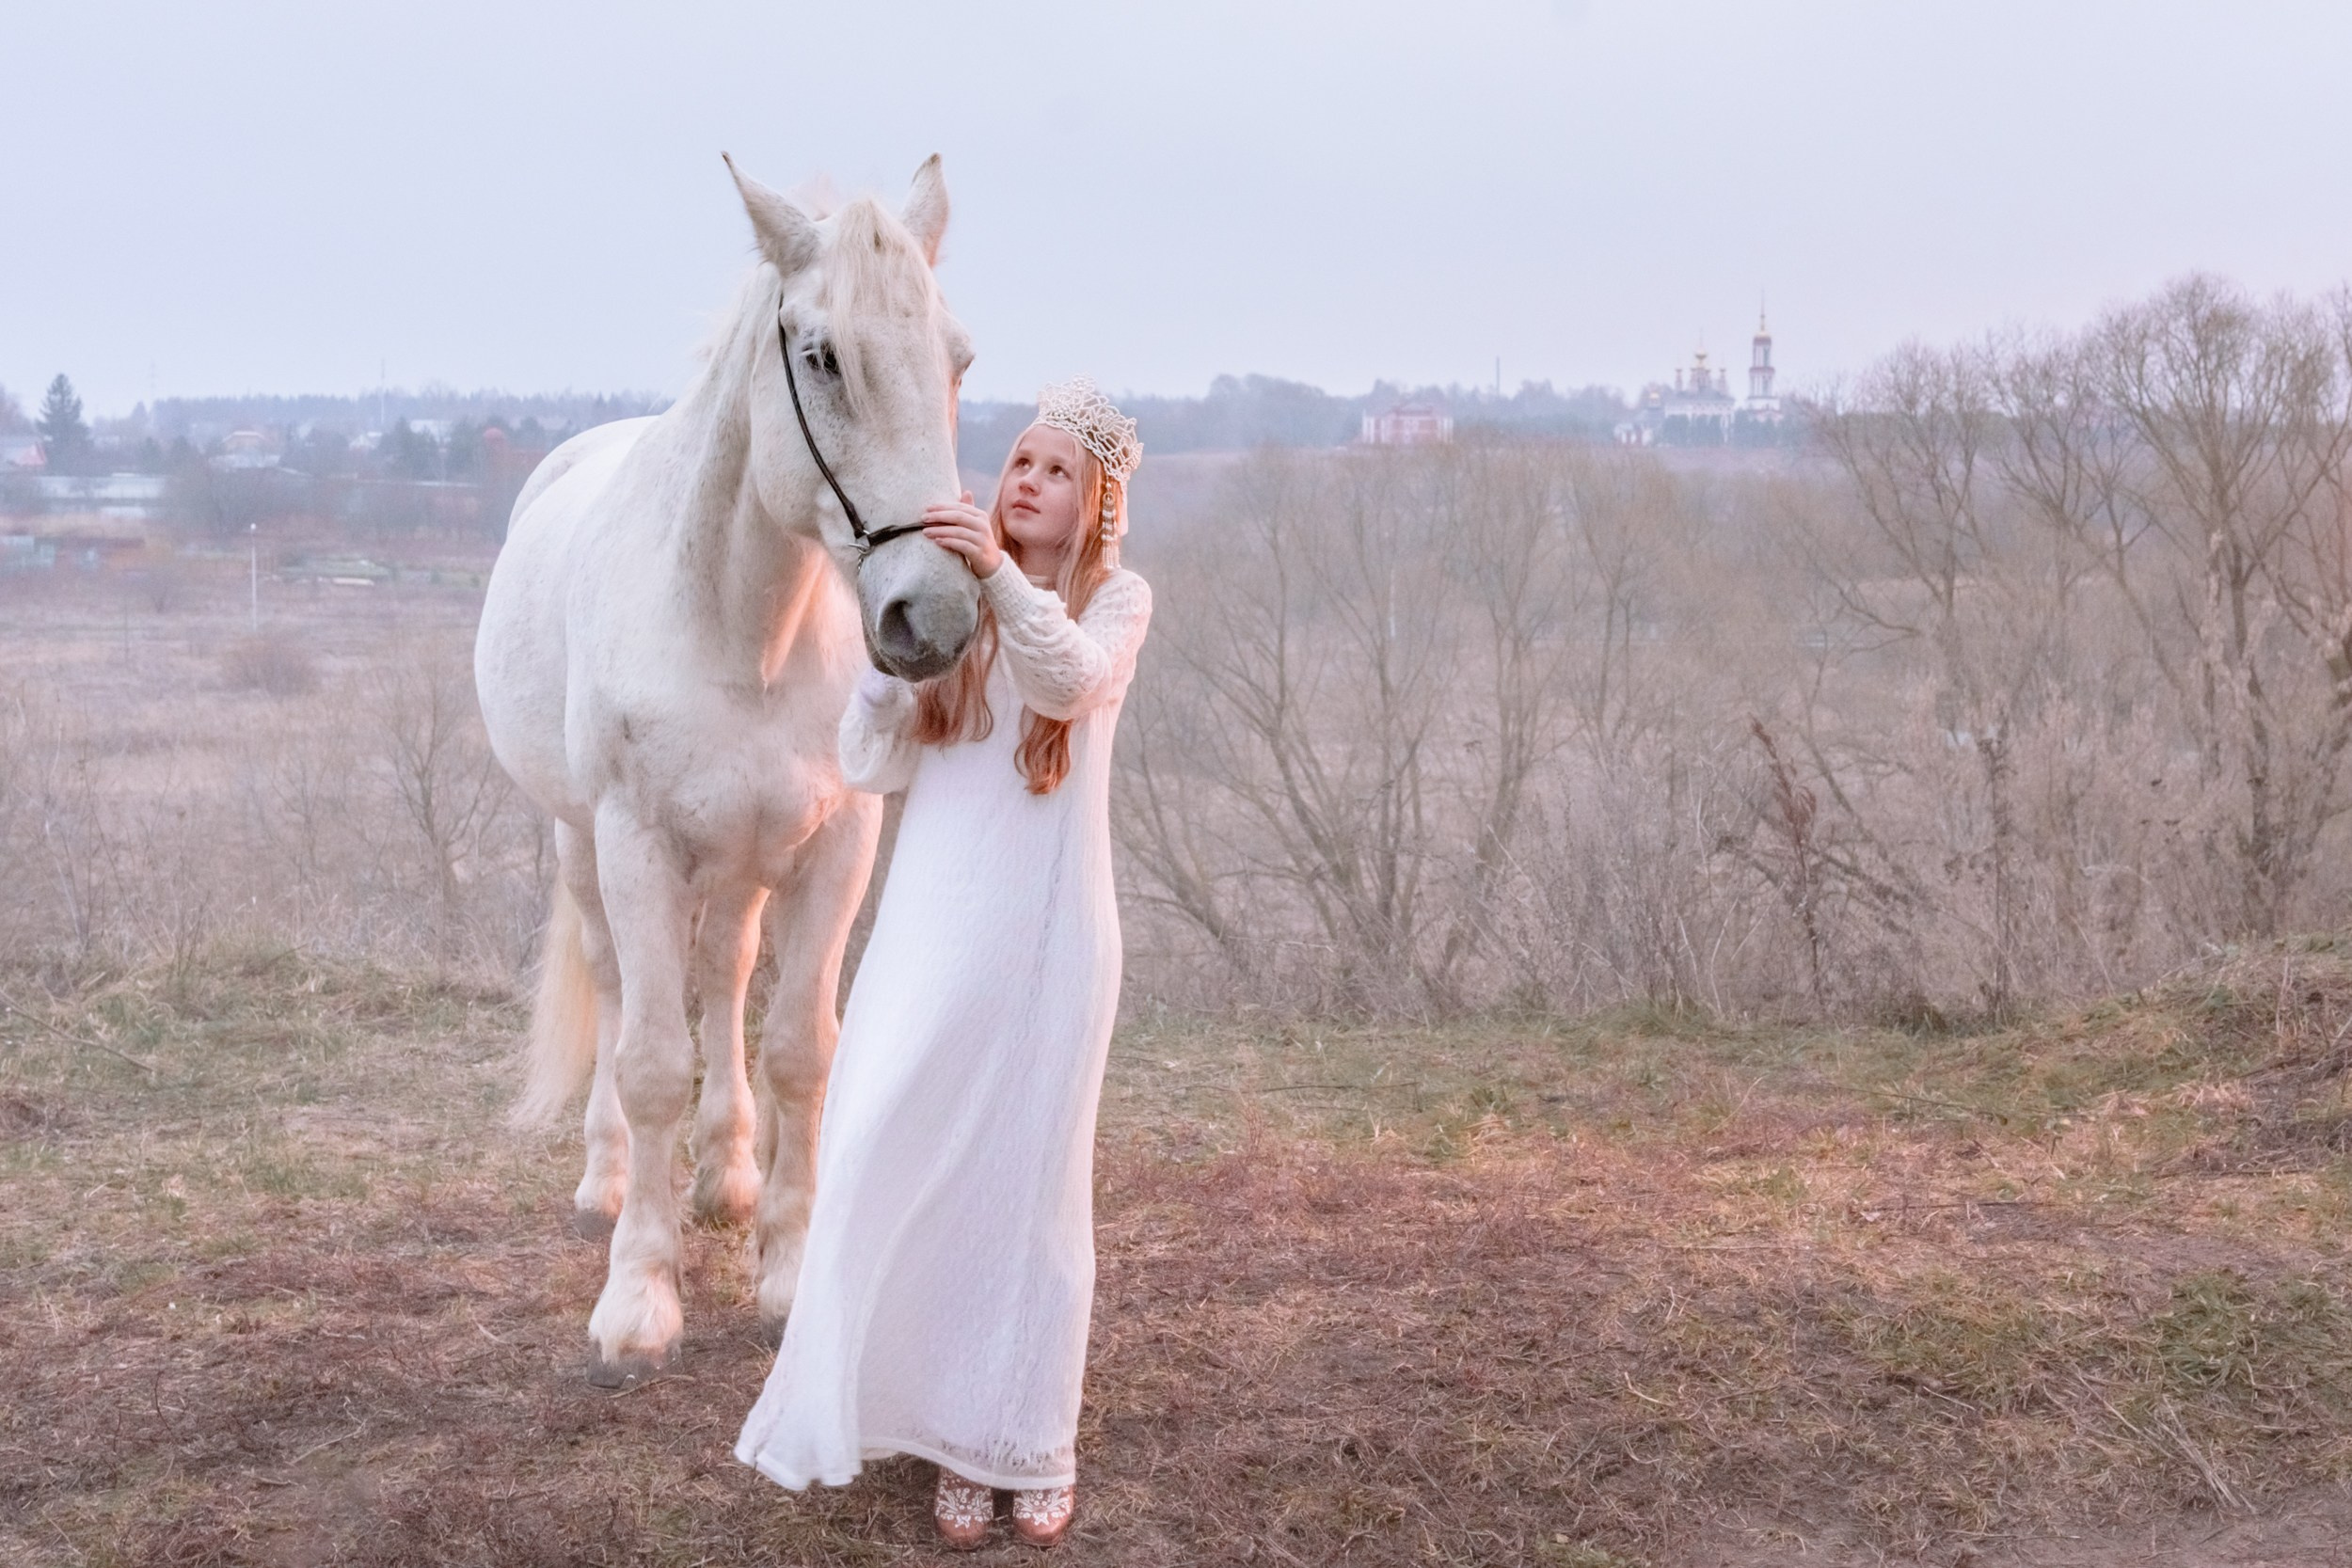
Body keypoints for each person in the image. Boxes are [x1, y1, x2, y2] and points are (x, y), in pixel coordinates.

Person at [735, 378, 1152, 1551]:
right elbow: (870, 761)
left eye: (1055, 469)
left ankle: (1019, 1442)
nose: (1025, 481)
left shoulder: (1115, 601)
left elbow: (1068, 679)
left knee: (1023, 1189)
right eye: (1017, 462)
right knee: (878, 1146)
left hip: (1048, 935)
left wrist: (1001, 577)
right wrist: (889, 653)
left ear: (1099, 500)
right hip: (930, 928)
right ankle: (923, 1417)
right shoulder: (960, 601)